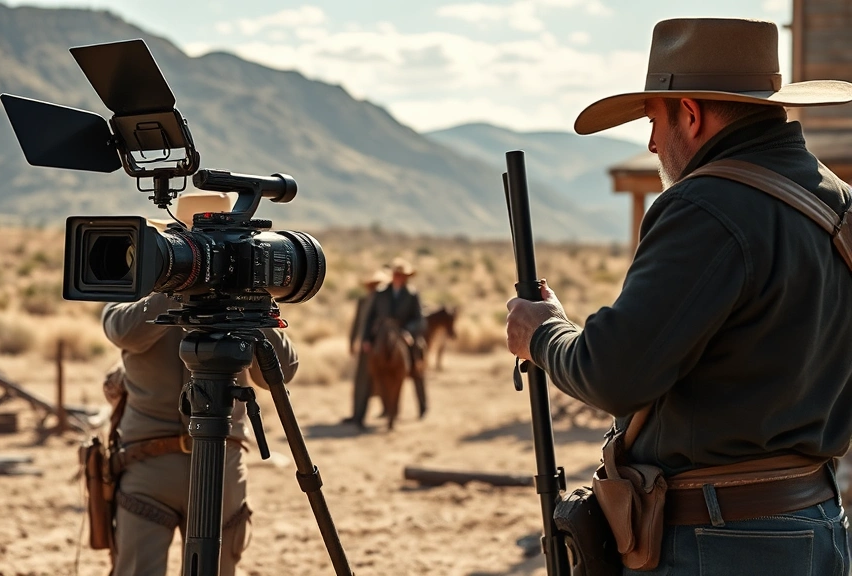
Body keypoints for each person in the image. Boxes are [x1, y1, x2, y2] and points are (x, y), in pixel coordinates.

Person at [505, 18, 852, 575]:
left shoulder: (706, 204)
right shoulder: (839, 203)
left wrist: (542, 334)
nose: (649, 142)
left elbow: (614, 373)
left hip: (721, 541)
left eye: (653, 119)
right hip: (818, 523)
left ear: (689, 114)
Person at [103, 191, 300, 576]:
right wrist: (180, 281)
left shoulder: (243, 295)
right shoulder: (142, 286)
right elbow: (122, 330)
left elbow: (278, 373)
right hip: (148, 463)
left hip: (212, 462)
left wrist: (251, 295)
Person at [362, 257, 427, 419]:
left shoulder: (412, 294)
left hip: (404, 331)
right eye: (397, 274)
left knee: (417, 353)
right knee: (372, 362)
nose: (399, 277)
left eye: (402, 275)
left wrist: (408, 332)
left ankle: (422, 405)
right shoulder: (381, 293)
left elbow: (419, 319)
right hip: (383, 332)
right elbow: (369, 317)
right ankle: (384, 407)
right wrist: (366, 339)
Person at [342, 269, 389, 429]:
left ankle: (388, 412)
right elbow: (357, 324)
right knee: (360, 382)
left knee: (381, 381)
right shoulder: (363, 301)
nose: (374, 288)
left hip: (380, 348)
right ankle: (357, 416)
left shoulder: (385, 303)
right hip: (364, 347)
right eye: (373, 285)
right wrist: (352, 342)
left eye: (378, 285)